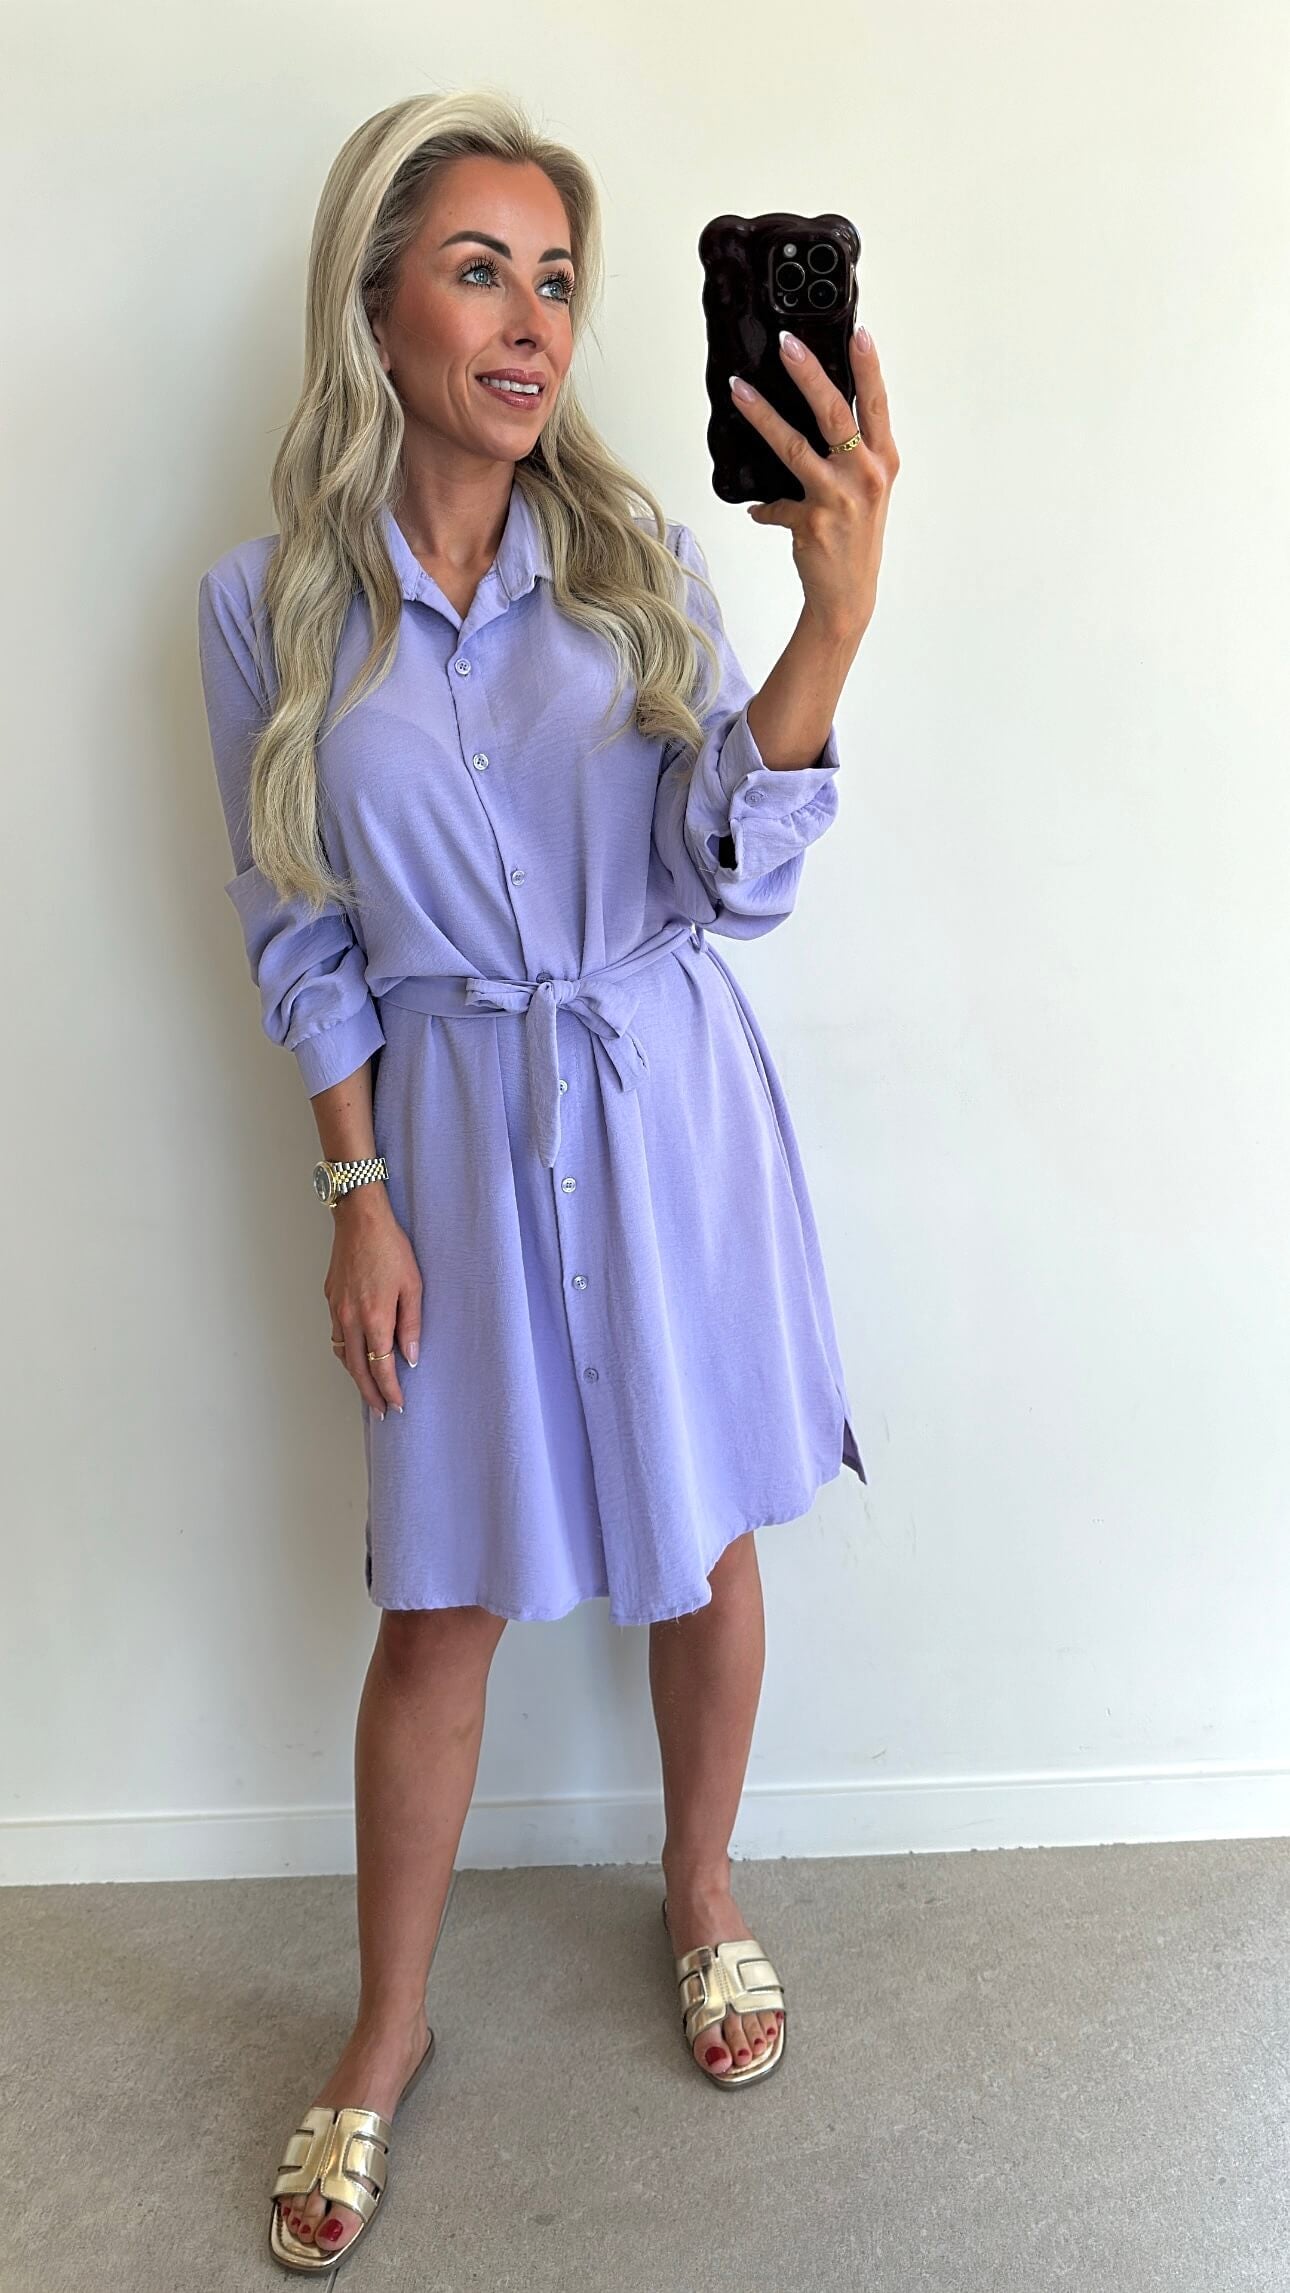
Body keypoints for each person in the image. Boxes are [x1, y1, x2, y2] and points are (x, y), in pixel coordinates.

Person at [196, 88, 897, 2273]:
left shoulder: (634, 559)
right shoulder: (267, 607)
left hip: (661, 1095)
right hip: (451, 1144)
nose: (530, 321)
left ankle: (700, 1888)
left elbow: (728, 868)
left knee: (701, 1530)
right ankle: (385, 2022)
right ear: (376, 305)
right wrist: (356, 1194)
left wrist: (830, 625)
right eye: (480, 269)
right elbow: (300, 929)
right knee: (439, 1596)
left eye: (560, 281)